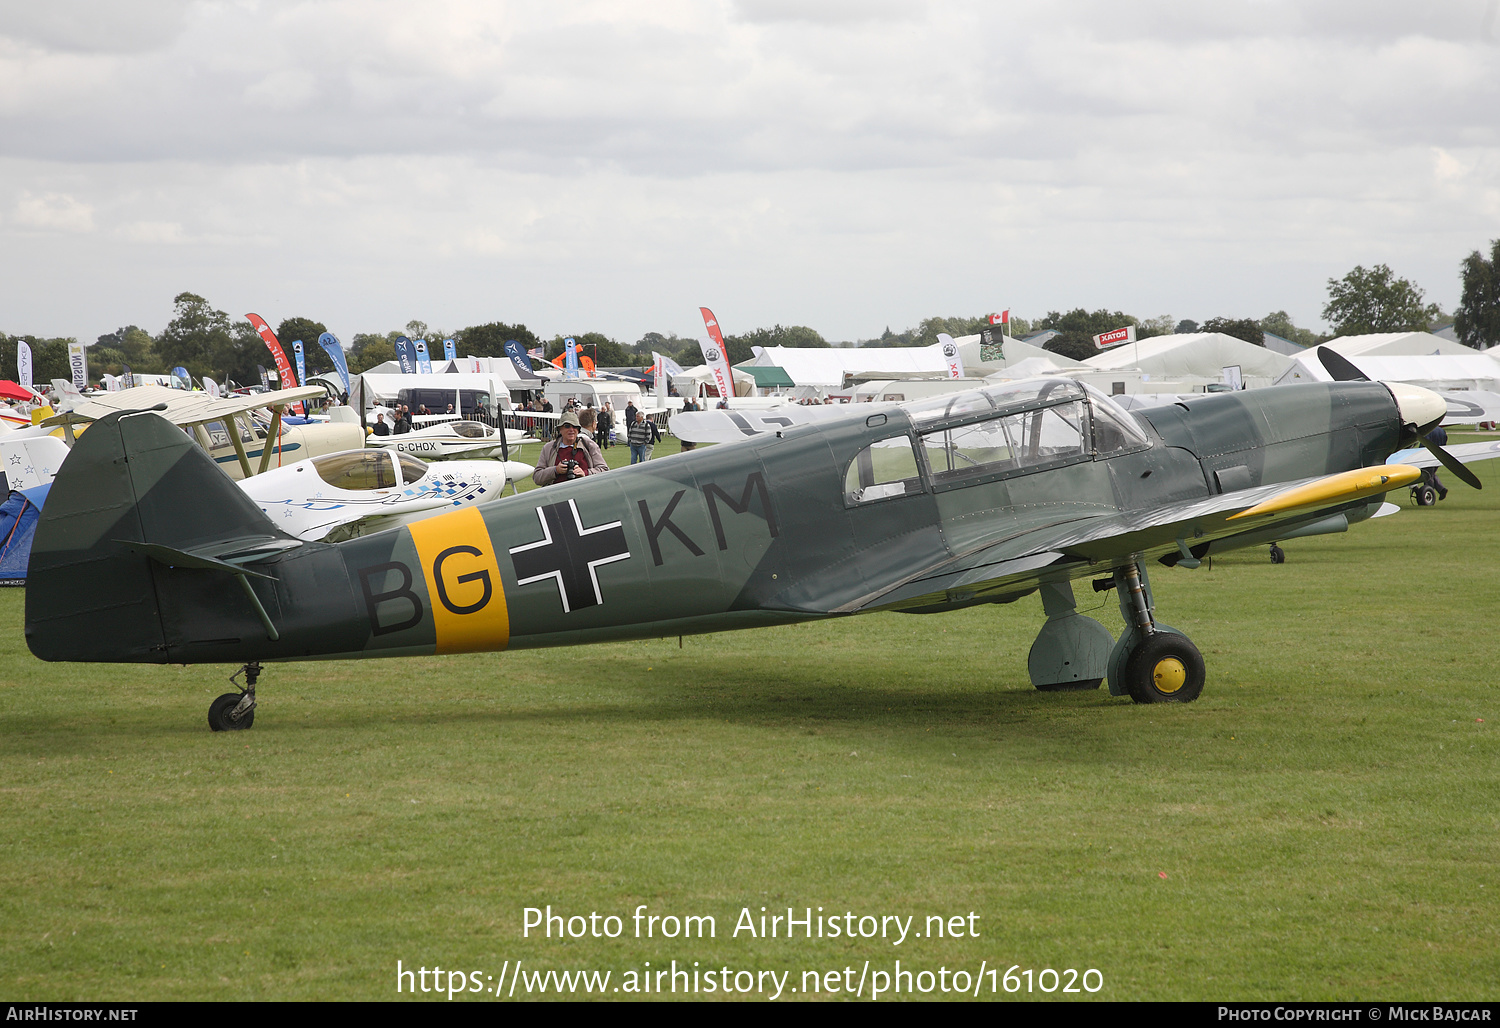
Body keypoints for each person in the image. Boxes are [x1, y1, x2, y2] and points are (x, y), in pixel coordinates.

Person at [533, 411, 608, 486]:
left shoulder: (589, 445)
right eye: (567, 426)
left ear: (578, 430)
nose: (571, 429)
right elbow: (537, 477)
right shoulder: (549, 448)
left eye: (575, 426)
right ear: (560, 429)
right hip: (556, 494)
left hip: (584, 492)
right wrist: (555, 470)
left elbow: (604, 471)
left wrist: (585, 473)